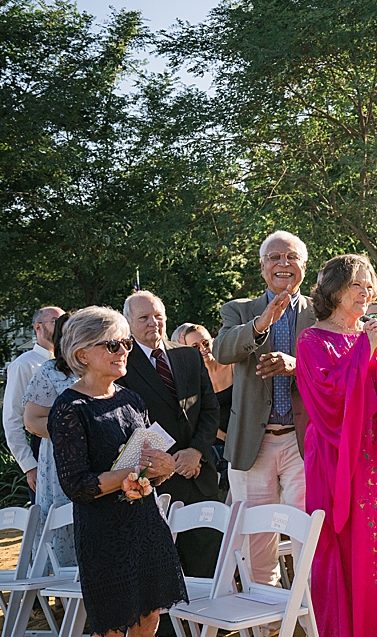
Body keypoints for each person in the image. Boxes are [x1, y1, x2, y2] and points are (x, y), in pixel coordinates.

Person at [48, 307, 185, 637]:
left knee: (148, 622)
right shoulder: (70, 408)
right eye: (114, 344)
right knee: (107, 634)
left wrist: (160, 469)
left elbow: (144, 464)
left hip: (145, 521)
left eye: (126, 343)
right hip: (104, 531)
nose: (124, 351)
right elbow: (77, 485)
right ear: (82, 353)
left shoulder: (129, 398)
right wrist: (131, 470)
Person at [295, 255, 377, 637]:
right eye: (358, 286)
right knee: (336, 546)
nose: (367, 294)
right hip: (332, 458)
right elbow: (327, 399)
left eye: (370, 287)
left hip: (374, 458)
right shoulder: (312, 340)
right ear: (334, 290)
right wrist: (367, 347)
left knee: (374, 550)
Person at [214, 230, 315, 586]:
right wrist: (261, 325)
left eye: (291, 257)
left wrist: (296, 365)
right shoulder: (239, 310)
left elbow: (340, 368)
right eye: (275, 257)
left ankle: (313, 613)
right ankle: (268, 621)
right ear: (262, 267)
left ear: (304, 265)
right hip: (252, 444)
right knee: (257, 537)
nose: (283, 264)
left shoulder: (322, 312)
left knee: (309, 530)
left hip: (303, 443)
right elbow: (222, 350)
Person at [120, 292, 222, 576]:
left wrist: (196, 452)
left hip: (198, 475)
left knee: (206, 560)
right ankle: (166, 623)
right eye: (143, 318)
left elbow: (209, 409)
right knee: (162, 569)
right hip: (154, 482)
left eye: (158, 316)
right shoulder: (122, 363)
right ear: (128, 322)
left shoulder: (187, 355)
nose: (153, 323)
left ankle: (205, 622)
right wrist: (166, 462)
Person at [22, 311, 79, 565]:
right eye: (66, 334)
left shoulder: (112, 368)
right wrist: (74, 436)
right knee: (61, 527)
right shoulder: (48, 372)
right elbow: (29, 421)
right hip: (60, 461)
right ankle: (61, 597)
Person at [3, 305, 65, 494]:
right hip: (42, 447)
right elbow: (12, 419)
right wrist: (30, 466)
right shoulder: (23, 365)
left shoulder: (73, 361)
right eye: (55, 322)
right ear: (37, 327)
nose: (62, 328)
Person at [174, 323, 234, 493]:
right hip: (214, 443)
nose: (203, 349)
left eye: (206, 343)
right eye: (195, 347)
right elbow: (200, 415)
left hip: (241, 439)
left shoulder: (232, 365)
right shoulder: (191, 378)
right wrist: (226, 438)